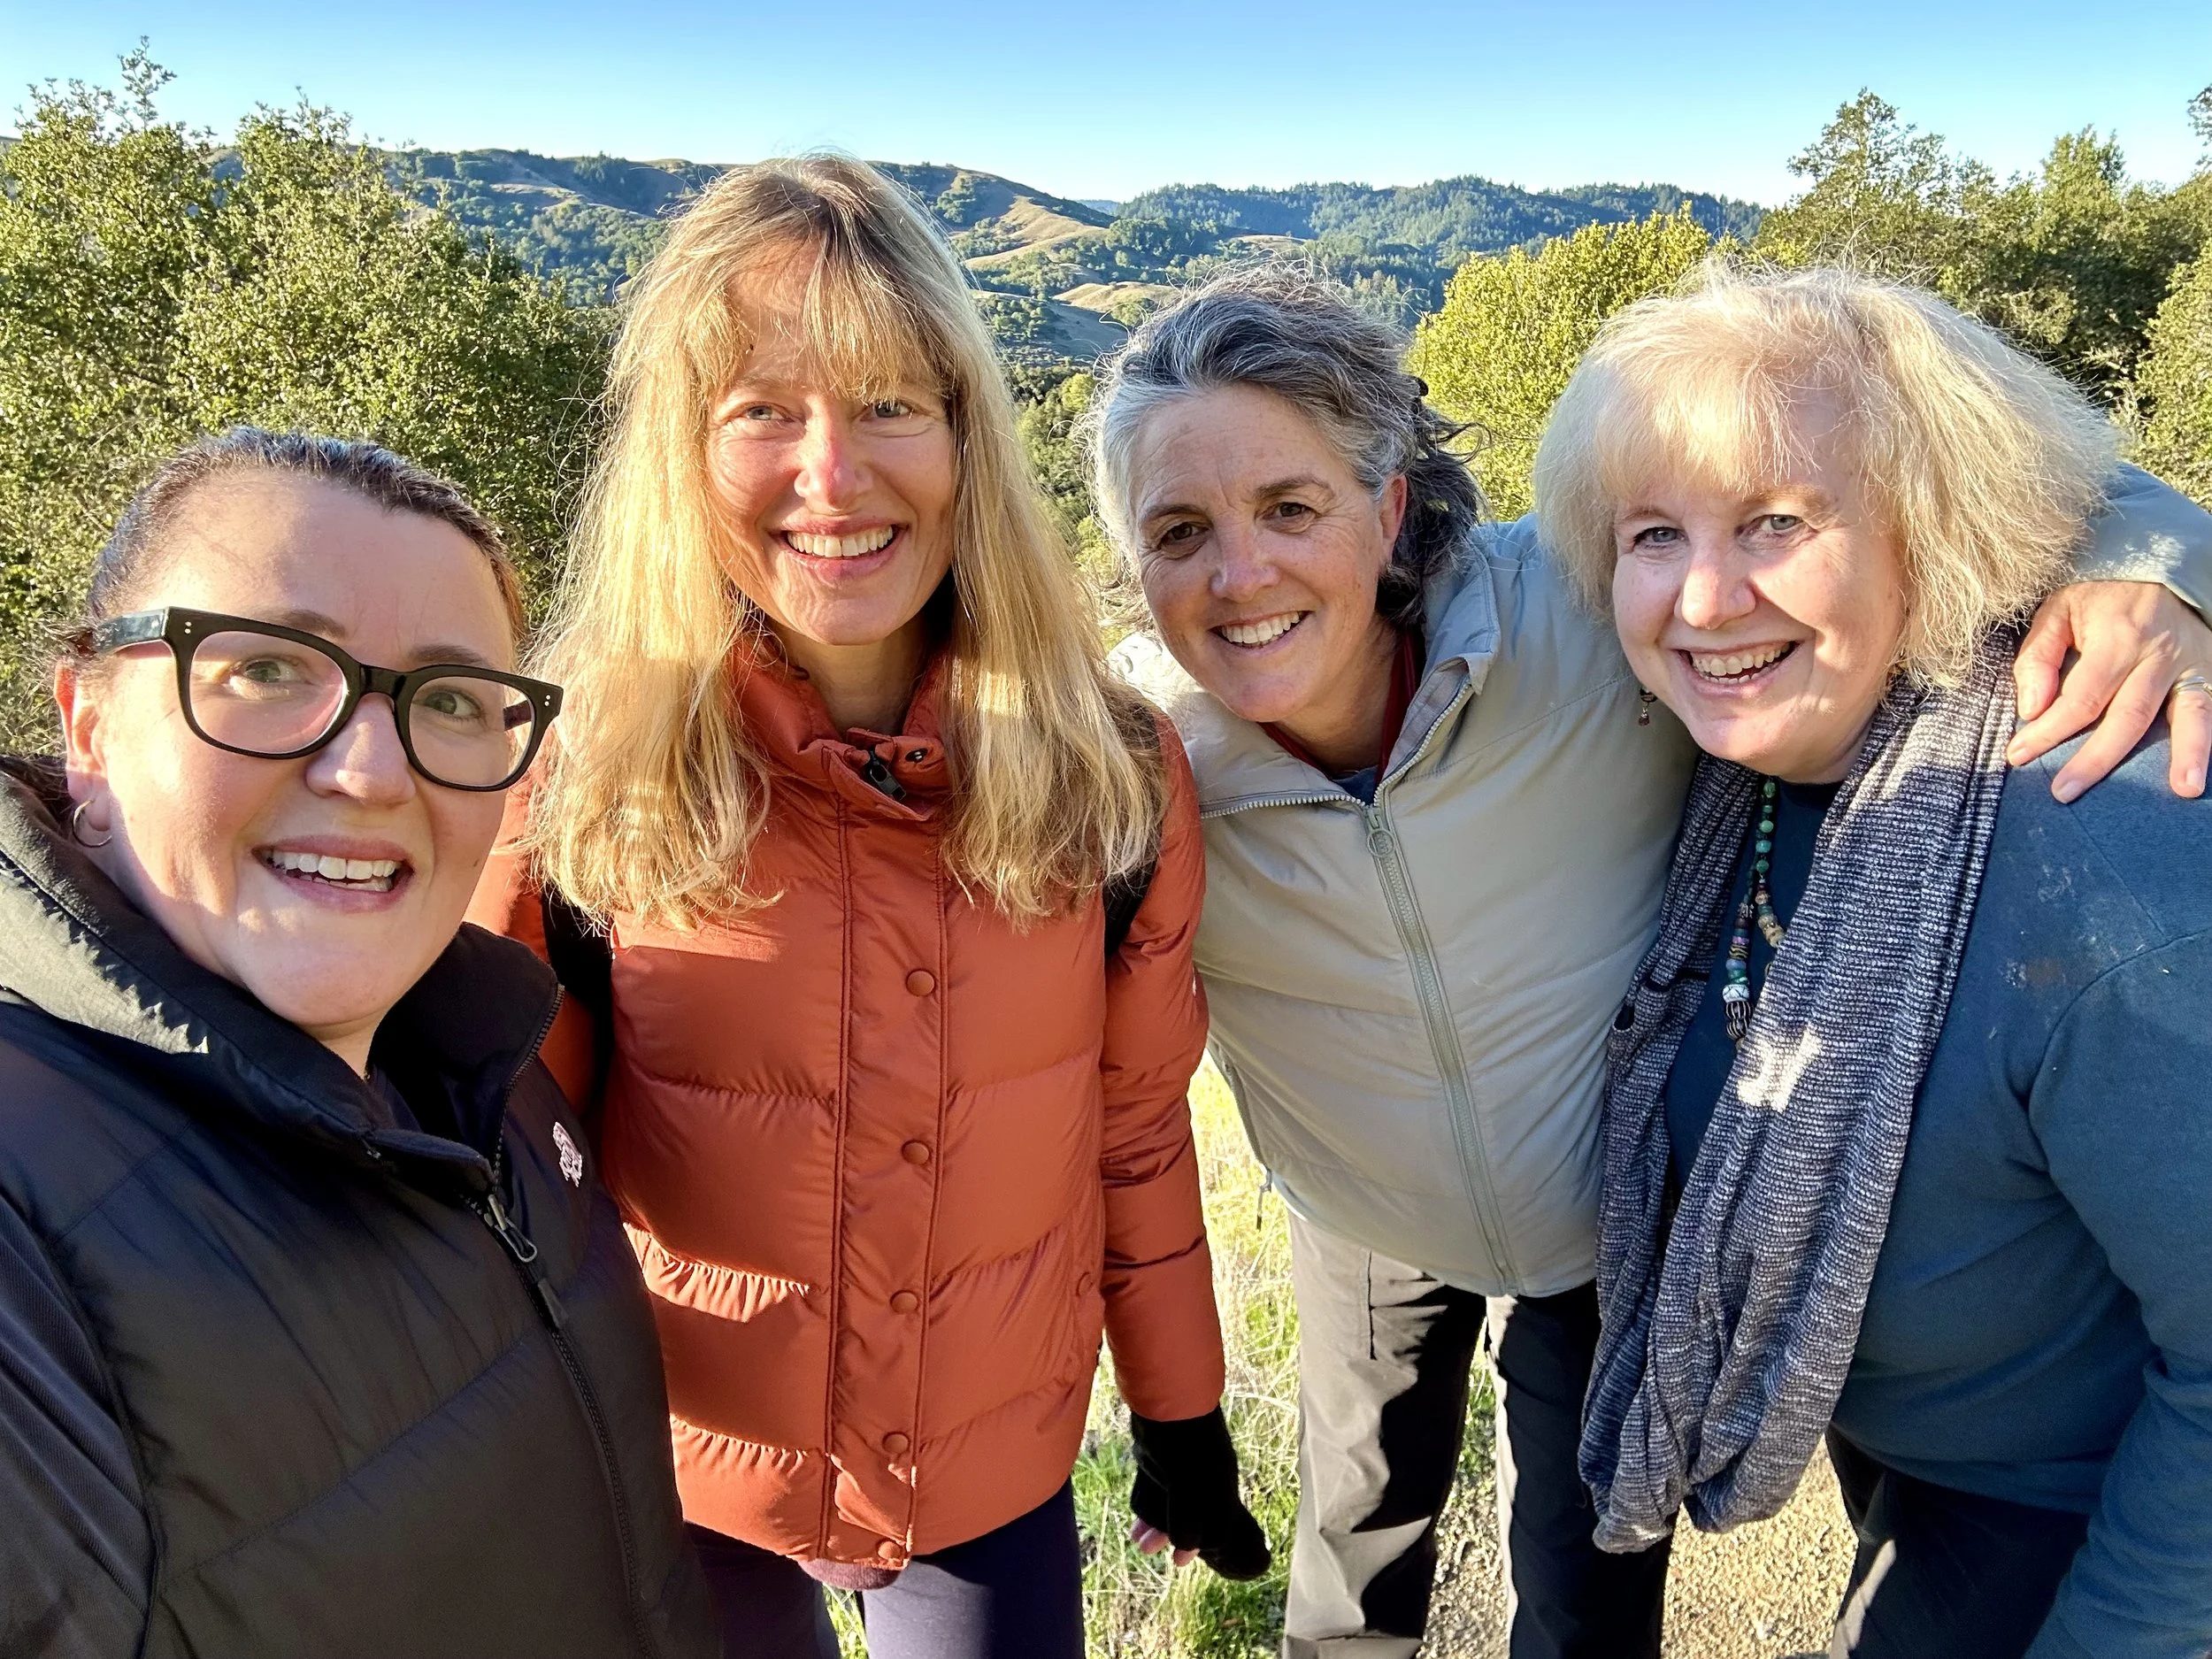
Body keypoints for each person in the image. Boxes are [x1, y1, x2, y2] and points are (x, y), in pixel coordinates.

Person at [1088, 265, 2212, 1659]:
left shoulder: (1589, 622)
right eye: (1179, 528)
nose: (1240, 571)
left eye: (1291, 507)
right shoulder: (1136, 772)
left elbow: (1988, 479)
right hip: (1372, 1210)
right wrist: (1171, 1407)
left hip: (1605, 1226)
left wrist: (2156, 570)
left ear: (1387, 511)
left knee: (1584, 1580)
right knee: (1353, 1560)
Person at [468, 156, 1267, 1659]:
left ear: (967, 436)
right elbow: (512, 1170)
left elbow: (1137, 1128)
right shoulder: (580, 784)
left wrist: (1182, 1410)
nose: (833, 477)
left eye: (893, 403)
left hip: (988, 1474)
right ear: (682, 458)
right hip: (678, 1475)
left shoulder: (1109, 775)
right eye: (762, 410)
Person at [1565, 266, 2212, 1659]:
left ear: (1931, 529)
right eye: (1654, 533)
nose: (1704, 593)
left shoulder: (2098, 840)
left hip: (2100, 1515)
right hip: (1925, 1468)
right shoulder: (1744, 777)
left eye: (1776, 523)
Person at [0, 428, 718, 1659]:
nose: (371, 768)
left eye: (446, 699)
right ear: (91, 725)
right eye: (270, 669)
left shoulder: (485, 1066)